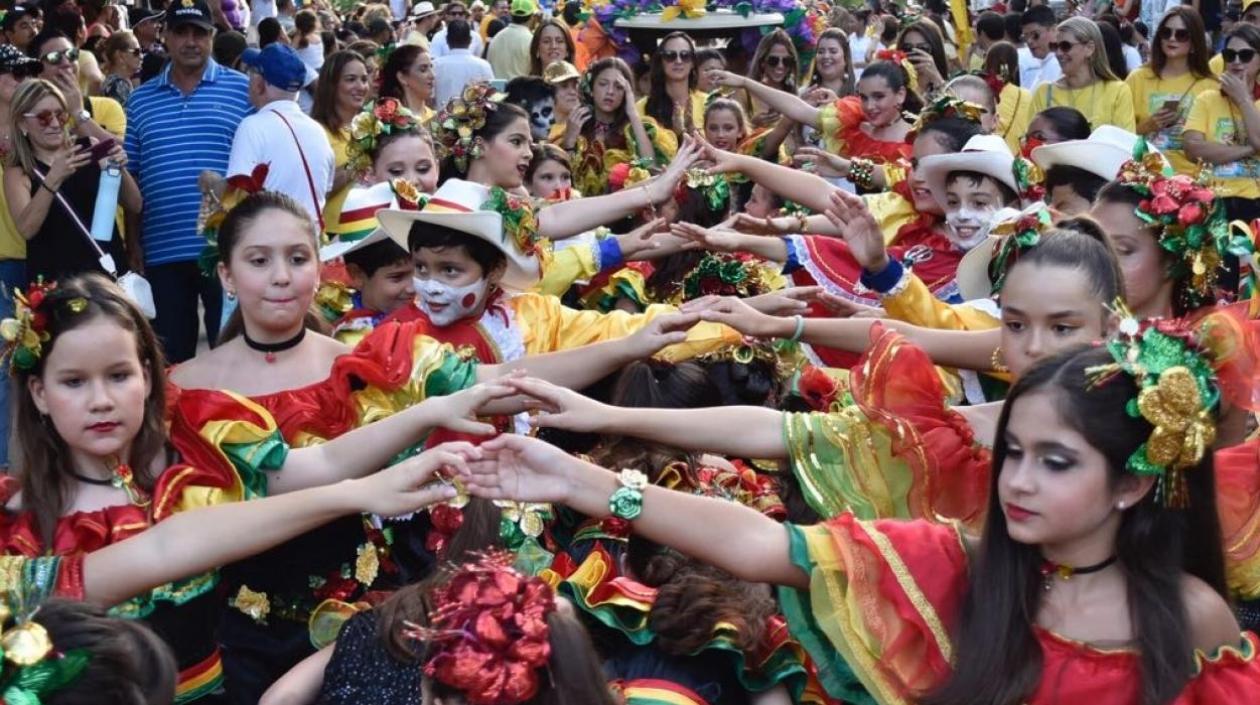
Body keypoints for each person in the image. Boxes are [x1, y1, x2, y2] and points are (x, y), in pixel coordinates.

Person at [461, 312, 1260, 704]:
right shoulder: (962, 563)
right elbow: (766, 547)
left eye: (1055, 463)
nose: (1016, 481)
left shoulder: (1190, 619)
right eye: (1013, 452)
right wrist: (581, 481)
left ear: (1132, 482)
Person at [124, 0, 251, 363]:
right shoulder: (140, 101)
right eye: (182, 32)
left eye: (199, 32)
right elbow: (131, 176)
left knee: (232, 353)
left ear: (212, 36)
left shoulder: (242, 91)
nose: (191, 41)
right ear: (166, 37)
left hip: (226, 248)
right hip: (161, 250)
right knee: (170, 361)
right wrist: (134, 242)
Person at [3, 79, 140, 282]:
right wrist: (52, 179)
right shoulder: (18, 171)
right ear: (23, 122)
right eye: (43, 117)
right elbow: (27, 229)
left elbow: (134, 204)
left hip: (108, 276)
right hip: (58, 282)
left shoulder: (90, 149)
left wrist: (119, 169)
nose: (55, 124)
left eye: (61, 115)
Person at [226, 43, 335, 225]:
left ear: (260, 84)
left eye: (251, 73)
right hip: (310, 243)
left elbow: (237, 196)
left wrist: (213, 184)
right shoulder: (318, 130)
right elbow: (326, 191)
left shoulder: (252, 126)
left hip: (271, 242)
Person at [1124, 8, 1217, 176]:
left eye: (1181, 35)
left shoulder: (1210, 85)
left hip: (1193, 181)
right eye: (1166, 33)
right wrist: (1147, 126)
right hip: (1145, 178)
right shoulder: (1138, 78)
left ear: (1195, 43)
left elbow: (1219, 141)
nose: (1172, 38)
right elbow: (1119, 135)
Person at [1184, 24, 1260, 222]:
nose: (1236, 62)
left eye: (1245, 55)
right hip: (1211, 199)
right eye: (1229, 55)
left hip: (1255, 201)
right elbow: (1193, 149)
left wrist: (1244, 99)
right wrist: (1249, 149)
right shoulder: (1206, 99)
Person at [1030, 18, 1136, 132]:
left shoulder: (1118, 91)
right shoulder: (1044, 92)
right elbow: (1029, 142)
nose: (1059, 53)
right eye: (1055, 47)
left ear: (1089, 48)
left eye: (1065, 46)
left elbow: (1125, 144)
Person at [309, 50, 370, 236]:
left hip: (373, 229)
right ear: (332, 85)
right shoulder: (316, 132)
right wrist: (360, 161)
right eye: (351, 79)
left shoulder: (372, 125)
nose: (360, 86)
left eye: (364, 79)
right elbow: (316, 192)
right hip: (335, 234)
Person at [28, 29, 122, 141]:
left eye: (71, 54)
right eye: (54, 57)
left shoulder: (107, 106)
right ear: (36, 70)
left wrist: (79, 113)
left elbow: (128, 153)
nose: (66, 63)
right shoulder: (29, 115)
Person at [640, 31, 705, 140]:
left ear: (693, 62)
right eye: (670, 55)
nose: (678, 61)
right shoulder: (641, 107)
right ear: (661, 61)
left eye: (685, 55)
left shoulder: (708, 103)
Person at [432, 19, 493, 108]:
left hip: (442, 119)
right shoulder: (483, 66)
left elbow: (429, 98)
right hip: (474, 119)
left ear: (447, 40)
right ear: (470, 40)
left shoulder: (435, 65)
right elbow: (490, 98)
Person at [377, 43, 435, 122]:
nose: (432, 76)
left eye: (431, 67)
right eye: (423, 70)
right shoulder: (389, 122)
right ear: (402, 77)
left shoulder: (436, 118)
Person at [486, 0, 535, 80]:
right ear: (532, 17)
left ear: (511, 14)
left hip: (497, 90)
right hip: (521, 90)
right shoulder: (531, 40)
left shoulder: (496, 38)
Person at [1018, 5, 1062, 89]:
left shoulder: (1060, 64)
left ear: (1053, 30)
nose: (1029, 41)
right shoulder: (1046, 62)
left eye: (1035, 35)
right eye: (1025, 37)